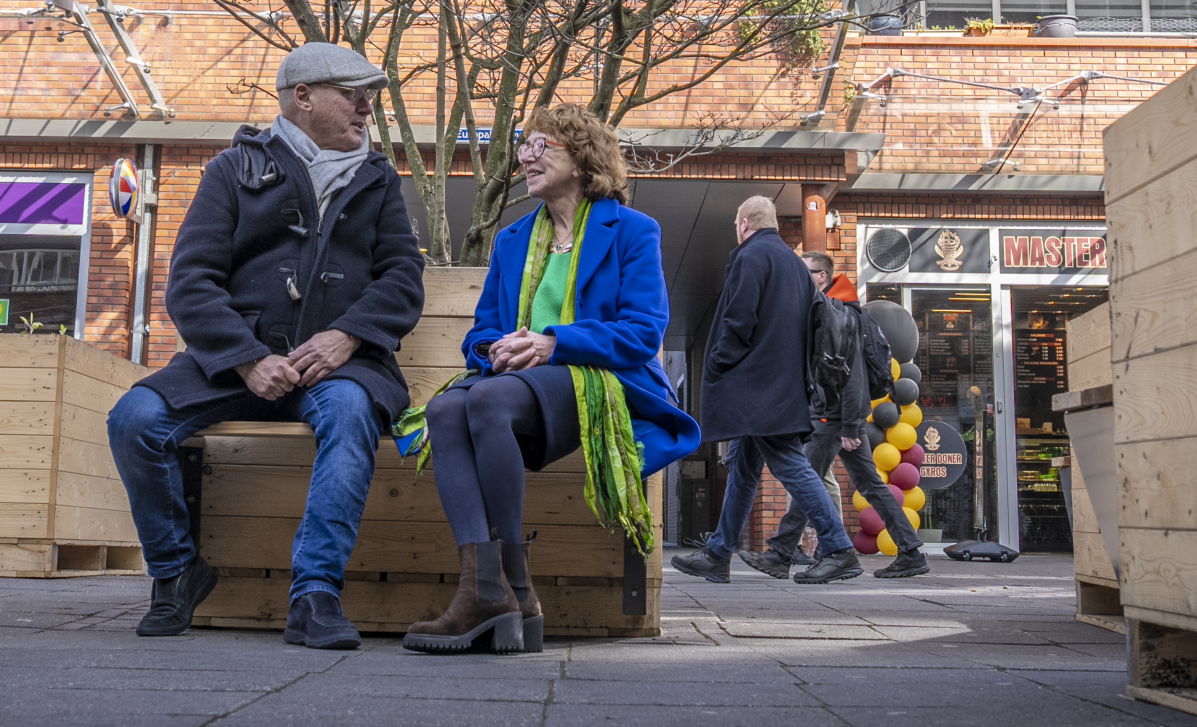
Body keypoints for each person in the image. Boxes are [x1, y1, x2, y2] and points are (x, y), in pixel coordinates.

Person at [106, 43, 426, 649]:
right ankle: (176, 573)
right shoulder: (232, 169)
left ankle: (315, 595)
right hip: (233, 366)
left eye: (371, 95)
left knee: (352, 413)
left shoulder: (379, 178)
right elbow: (192, 281)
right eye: (351, 92)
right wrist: (248, 358)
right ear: (302, 97)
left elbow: (402, 277)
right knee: (134, 419)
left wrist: (348, 336)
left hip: (342, 369)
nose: (366, 106)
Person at [398, 105, 698, 654]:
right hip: (517, 384)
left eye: (540, 146)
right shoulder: (513, 239)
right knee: (444, 411)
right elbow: (482, 331)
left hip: (597, 380)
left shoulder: (632, 230)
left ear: (581, 160)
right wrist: (496, 348)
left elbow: (642, 330)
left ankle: (505, 588)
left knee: (485, 402)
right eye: (522, 148)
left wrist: (553, 342)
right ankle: (491, 589)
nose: (525, 158)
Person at [671, 197, 862, 585]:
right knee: (742, 467)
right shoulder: (794, 264)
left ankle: (839, 548)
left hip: (757, 388)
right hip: (782, 386)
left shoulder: (751, 256)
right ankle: (719, 553)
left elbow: (740, 318)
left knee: (790, 464)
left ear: (743, 224)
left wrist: (719, 361)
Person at [747, 252, 929, 578]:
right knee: (869, 485)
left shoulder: (840, 313)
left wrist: (849, 424)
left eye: (806, 272)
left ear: (822, 276)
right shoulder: (823, 311)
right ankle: (911, 551)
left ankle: (782, 552)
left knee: (806, 479)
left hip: (835, 418)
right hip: (835, 415)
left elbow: (853, 375)